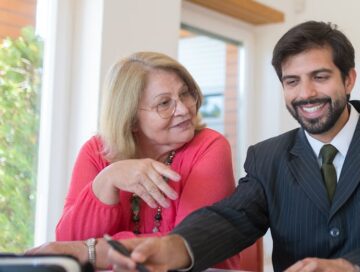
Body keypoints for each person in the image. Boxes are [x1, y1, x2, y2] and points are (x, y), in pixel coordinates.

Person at [108, 21, 360, 272]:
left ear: (348, 79)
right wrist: (177, 245)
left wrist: (349, 268)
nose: (305, 94)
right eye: (292, 81)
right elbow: (232, 218)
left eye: (320, 77)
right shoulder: (268, 157)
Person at [27, 52, 240, 270]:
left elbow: (185, 244)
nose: (184, 109)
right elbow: (67, 244)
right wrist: (107, 179)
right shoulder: (96, 151)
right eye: (165, 103)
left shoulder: (210, 146)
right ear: (130, 119)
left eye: (185, 94)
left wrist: (95, 250)